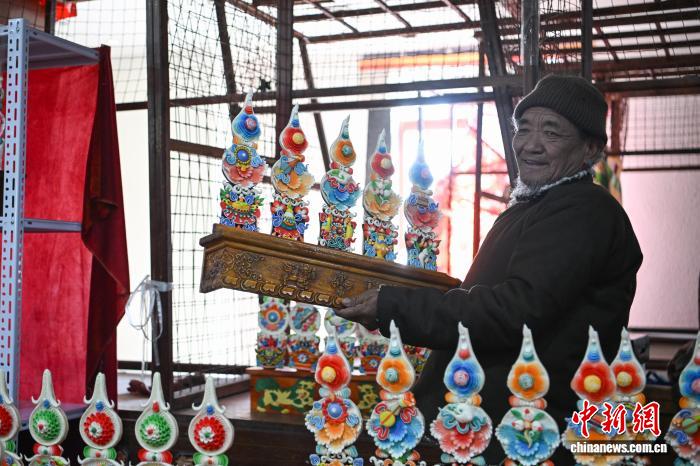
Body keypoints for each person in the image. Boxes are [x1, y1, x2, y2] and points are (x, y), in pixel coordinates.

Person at [336, 74, 643, 464]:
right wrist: (394, 300)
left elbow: (515, 310)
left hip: (526, 434)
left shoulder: (583, 210)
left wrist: (395, 306)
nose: (530, 144)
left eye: (551, 132)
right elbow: (487, 297)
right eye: (524, 128)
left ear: (590, 148)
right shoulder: (536, 205)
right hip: (485, 424)